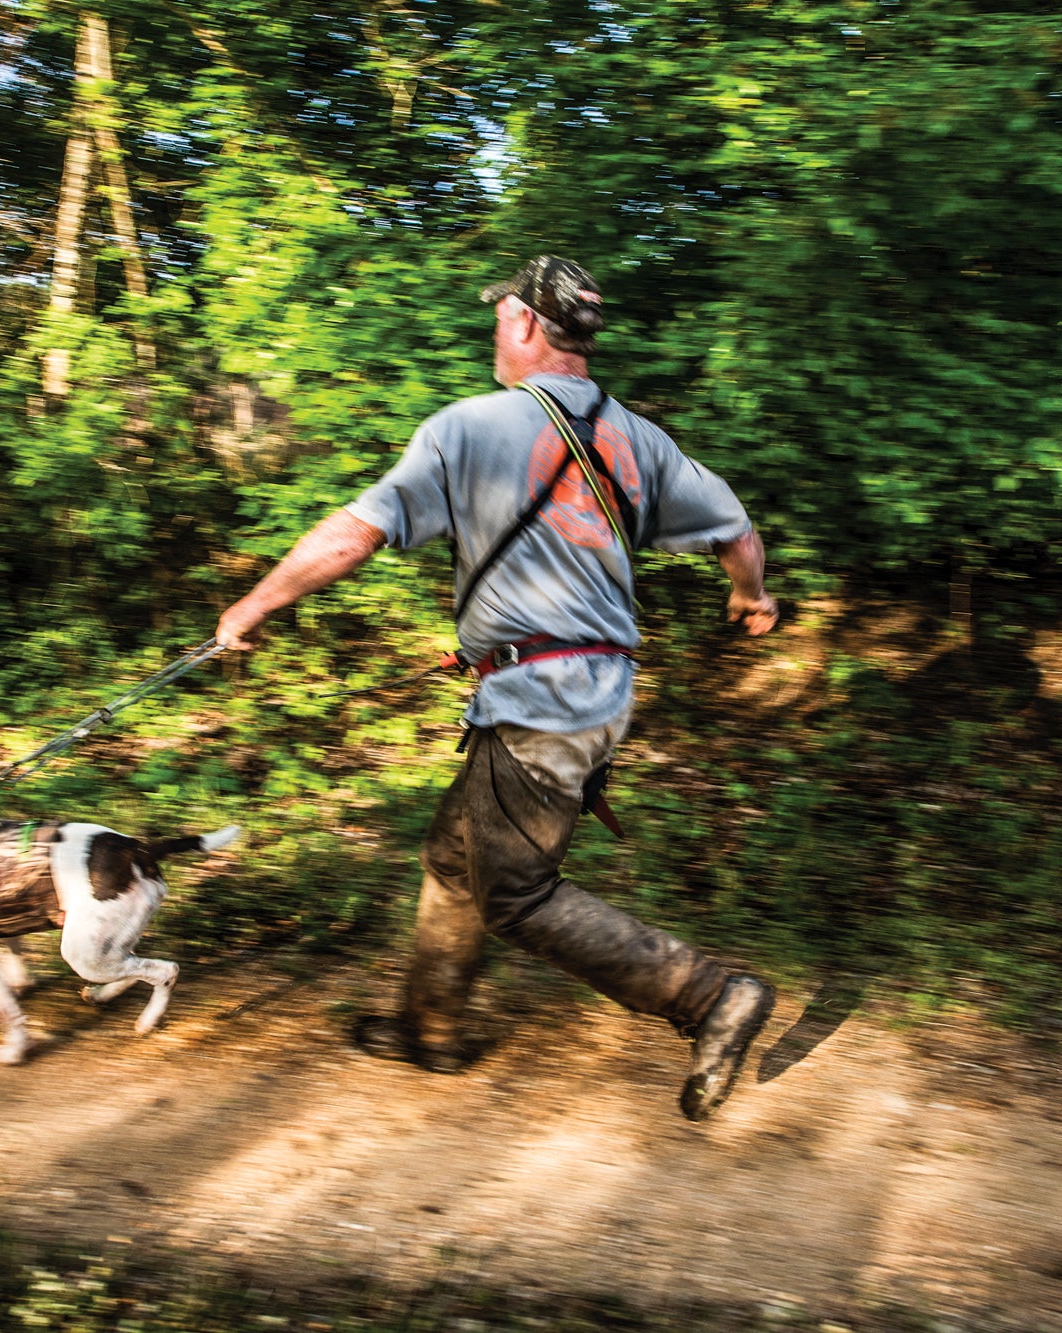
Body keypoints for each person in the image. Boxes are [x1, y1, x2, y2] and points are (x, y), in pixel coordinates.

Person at [216, 256, 781, 1121]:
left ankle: (708, 995)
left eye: (500, 316)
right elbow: (737, 532)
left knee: (514, 891)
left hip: (541, 702)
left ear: (523, 322)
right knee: (455, 857)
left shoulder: (468, 428)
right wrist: (750, 594)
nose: (494, 331)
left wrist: (254, 606)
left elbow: (355, 533)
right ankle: (428, 1028)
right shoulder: (641, 439)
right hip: (596, 685)